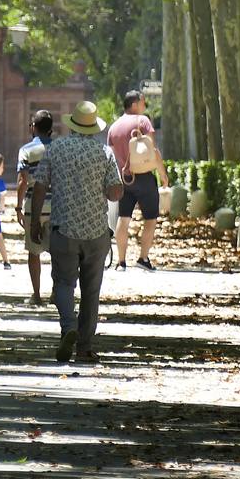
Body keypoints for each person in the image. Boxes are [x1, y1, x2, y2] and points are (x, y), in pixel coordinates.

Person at [28, 101, 123, 364]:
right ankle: (84, 346)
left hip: (63, 229)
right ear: (93, 127)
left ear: (72, 125)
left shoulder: (56, 148)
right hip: (96, 232)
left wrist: (35, 221)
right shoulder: (105, 153)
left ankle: (68, 326)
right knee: (91, 290)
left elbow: (39, 187)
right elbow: (115, 192)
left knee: (63, 283)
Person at [108, 90, 170, 271]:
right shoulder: (142, 121)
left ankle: (121, 262)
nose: (144, 106)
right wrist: (162, 174)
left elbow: (111, 156)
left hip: (123, 179)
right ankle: (143, 258)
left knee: (123, 218)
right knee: (150, 218)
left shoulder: (114, 127)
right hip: (144, 178)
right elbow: (153, 151)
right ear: (135, 104)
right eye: (143, 102)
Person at [13, 109, 55, 306]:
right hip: (57, 206)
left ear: (33, 127)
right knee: (57, 252)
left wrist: (18, 207)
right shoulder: (59, 148)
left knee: (34, 251)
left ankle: (37, 295)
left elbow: (23, 181)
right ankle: (57, 293)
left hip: (33, 206)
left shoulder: (26, 150)